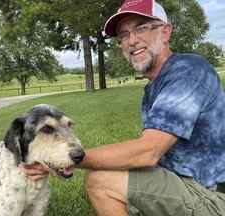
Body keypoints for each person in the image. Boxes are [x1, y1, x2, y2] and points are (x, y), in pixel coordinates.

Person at [21, 0, 225, 215]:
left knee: (101, 180)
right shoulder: (157, 85)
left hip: (214, 195)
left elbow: (148, 152)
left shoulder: (189, 71)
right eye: (124, 35)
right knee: (116, 171)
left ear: (165, 32)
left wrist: (68, 158)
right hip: (185, 182)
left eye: (141, 28)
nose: (132, 41)